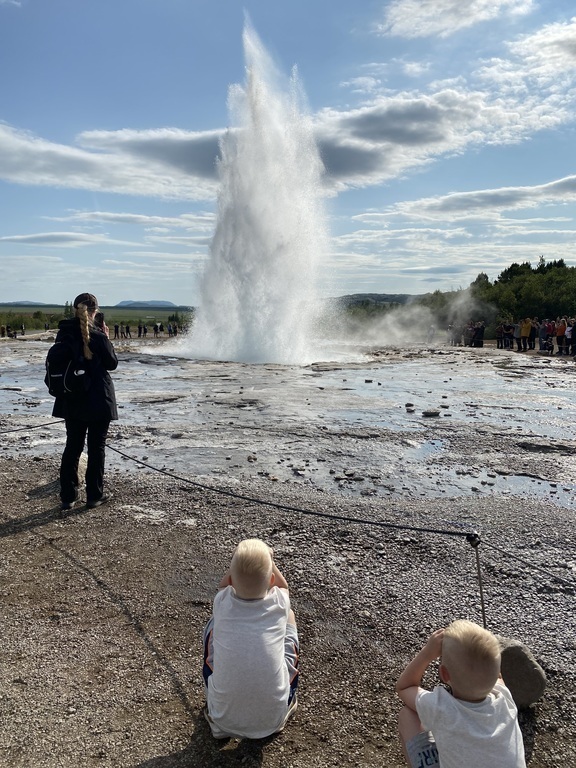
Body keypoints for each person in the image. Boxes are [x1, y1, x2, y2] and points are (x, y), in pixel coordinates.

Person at [203, 538, 299, 739]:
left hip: (223, 718)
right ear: (271, 580)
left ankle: (219, 725)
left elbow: (223, 585)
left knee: (214, 625)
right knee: (289, 617)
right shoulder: (280, 603)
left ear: (230, 580)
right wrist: (270, 560)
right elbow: (284, 587)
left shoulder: (222, 602)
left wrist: (236, 562)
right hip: (271, 721)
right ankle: (281, 712)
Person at [396, 619, 526, 768]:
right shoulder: (504, 696)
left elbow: (404, 687)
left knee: (408, 715)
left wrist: (427, 653)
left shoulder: (441, 708)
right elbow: (496, 675)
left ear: (445, 674)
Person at [52, 292, 118, 512]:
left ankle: (68, 497)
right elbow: (112, 363)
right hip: (98, 399)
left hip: (71, 399)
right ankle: (94, 496)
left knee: (73, 446)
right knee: (96, 447)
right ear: (95, 311)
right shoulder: (98, 336)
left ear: (74, 310)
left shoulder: (63, 334)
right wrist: (106, 337)